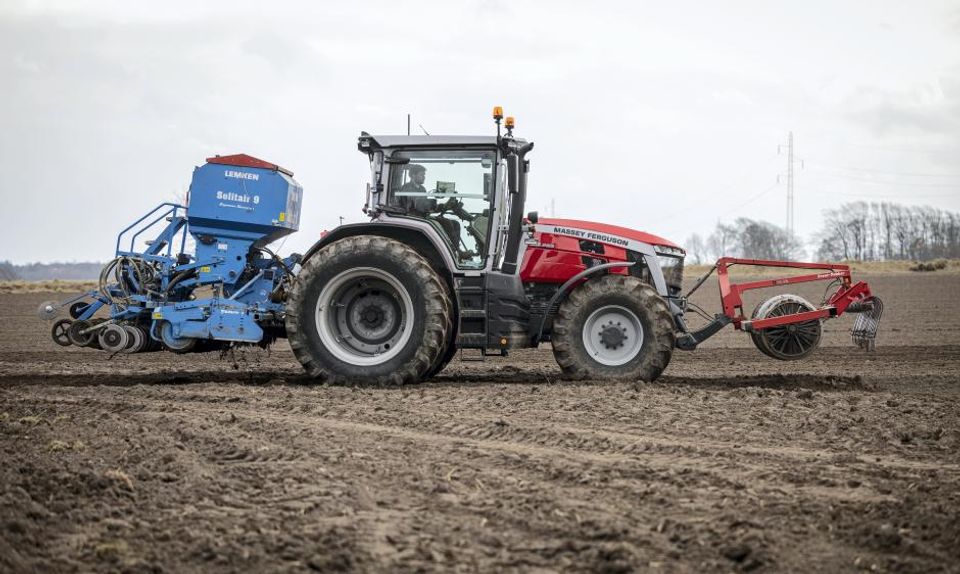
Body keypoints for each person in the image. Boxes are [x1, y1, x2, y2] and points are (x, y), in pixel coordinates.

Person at [396, 165, 466, 256]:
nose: (424, 177)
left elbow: (425, 205)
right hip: (414, 216)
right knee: (447, 222)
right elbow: (418, 206)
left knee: (455, 224)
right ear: (413, 175)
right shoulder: (407, 188)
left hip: (423, 215)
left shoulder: (422, 189)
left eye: (424, 175)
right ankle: (456, 252)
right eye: (421, 175)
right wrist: (434, 205)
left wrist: (444, 205)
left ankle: (455, 250)